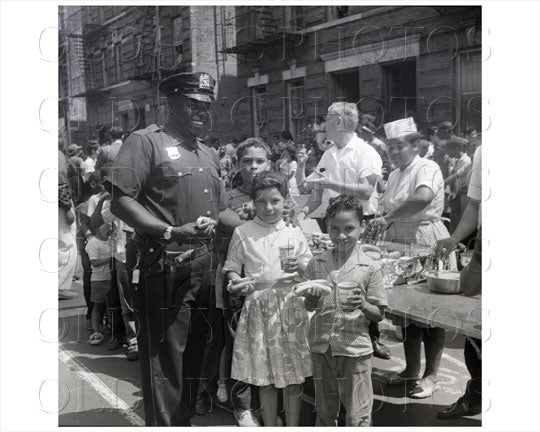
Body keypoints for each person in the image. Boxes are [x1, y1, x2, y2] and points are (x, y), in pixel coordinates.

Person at [106, 71, 238, 426]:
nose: (201, 113)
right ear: (173, 103)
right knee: (165, 359)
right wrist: (168, 231)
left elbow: (222, 211)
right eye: (193, 104)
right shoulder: (144, 142)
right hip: (164, 263)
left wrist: (262, 229)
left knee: (199, 351)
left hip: (204, 265)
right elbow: (121, 201)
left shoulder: (207, 152)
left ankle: (183, 420)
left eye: (206, 107)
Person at [223, 171, 313, 426]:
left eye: (275, 200)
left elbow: (309, 267)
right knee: (266, 377)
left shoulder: (294, 232)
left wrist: (301, 266)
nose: (269, 207)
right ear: (252, 202)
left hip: (290, 306)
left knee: (293, 376)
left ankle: (293, 426)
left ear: (285, 200)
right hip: (259, 307)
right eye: (261, 201)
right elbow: (232, 266)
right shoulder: (243, 231)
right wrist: (235, 281)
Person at [371, 133, 456, 399]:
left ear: (415, 146)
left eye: (400, 146)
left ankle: (431, 376)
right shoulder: (395, 173)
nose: (394, 152)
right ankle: (411, 368)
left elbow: (423, 198)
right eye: (390, 148)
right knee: (405, 310)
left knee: (430, 312)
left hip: (424, 237)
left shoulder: (427, 167)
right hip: (397, 240)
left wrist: (388, 218)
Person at [198, 137, 273, 426]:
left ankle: (253, 400)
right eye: (247, 161)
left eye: (259, 161)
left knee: (258, 341)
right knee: (223, 339)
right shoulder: (228, 197)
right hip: (231, 278)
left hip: (265, 279)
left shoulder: (276, 194)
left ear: (268, 162)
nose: (253, 167)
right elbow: (222, 230)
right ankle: (208, 391)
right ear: (238, 164)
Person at [303, 194, 387, 426]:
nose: (341, 235)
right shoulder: (316, 263)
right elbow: (309, 307)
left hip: (355, 350)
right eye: (334, 228)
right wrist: (310, 298)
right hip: (322, 346)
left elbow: (379, 314)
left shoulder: (370, 267)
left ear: (362, 227)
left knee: (357, 414)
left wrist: (363, 304)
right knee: (325, 411)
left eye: (349, 228)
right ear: (326, 228)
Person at [435, 146, 482, 419]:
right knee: (475, 325)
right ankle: (476, 396)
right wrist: (454, 239)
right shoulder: (483, 151)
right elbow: (476, 205)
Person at [85, 222, 113, 345]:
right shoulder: (93, 243)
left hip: (112, 278)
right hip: (99, 280)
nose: (108, 227)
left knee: (111, 306)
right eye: (105, 225)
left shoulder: (113, 240)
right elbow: (94, 262)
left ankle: (111, 330)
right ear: (97, 228)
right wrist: (112, 258)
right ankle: (96, 331)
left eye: (109, 225)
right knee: (97, 307)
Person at [58, 147, 78, 300]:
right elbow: (60, 182)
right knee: (68, 245)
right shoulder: (57, 155)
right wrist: (67, 208)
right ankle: (60, 286)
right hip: (59, 205)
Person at [444, 137, 472, 233]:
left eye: (448, 150)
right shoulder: (457, 161)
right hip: (456, 197)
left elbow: (456, 177)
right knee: (455, 223)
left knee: (461, 224)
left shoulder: (466, 161)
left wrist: (440, 183)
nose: (447, 153)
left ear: (456, 148)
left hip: (464, 197)